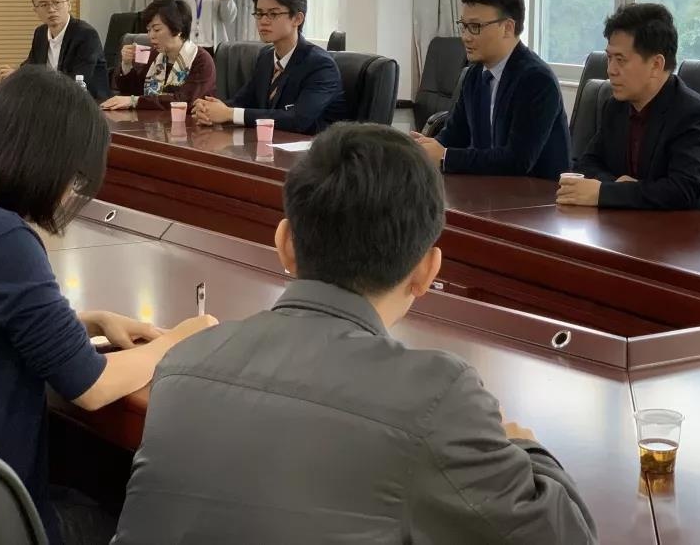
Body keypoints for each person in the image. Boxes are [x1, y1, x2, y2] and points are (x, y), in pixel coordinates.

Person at [112, 122, 597, 544]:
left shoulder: (183, 361)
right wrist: (526, 448)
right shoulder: (437, 398)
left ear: (284, 243)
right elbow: (566, 534)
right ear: (427, 271)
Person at [0, 66, 217, 545]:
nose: (72, 192)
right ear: (48, 161)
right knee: (127, 509)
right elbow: (91, 386)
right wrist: (176, 341)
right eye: (77, 177)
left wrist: (87, 322)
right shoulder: (2, 239)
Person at [560, 3, 700, 212]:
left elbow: (681, 190)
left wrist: (606, 192)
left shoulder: (692, 114)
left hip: (692, 227)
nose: (610, 70)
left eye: (620, 60)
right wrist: (616, 186)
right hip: (633, 222)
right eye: (609, 58)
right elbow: (587, 163)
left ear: (656, 65)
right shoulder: (615, 106)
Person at [413, 0, 571, 180]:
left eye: (475, 27)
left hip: (535, 193)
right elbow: (454, 136)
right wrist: (424, 149)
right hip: (488, 187)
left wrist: (446, 156)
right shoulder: (474, 75)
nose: (465, 37)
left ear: (507, 28)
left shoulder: (536, 79)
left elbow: (517, 160)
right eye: (463, 26)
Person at [191, 0, 346, 134]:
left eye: (273, 14)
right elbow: (242, 102)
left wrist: (229, 114)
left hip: (313, 146)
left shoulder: (320, 65)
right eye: (259, 14)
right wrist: (209, 109)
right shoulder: (266, 57)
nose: (263, 21)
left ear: (297, 19)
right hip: (268, 143)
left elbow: (298, 119)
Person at [0, 0, 109, 99]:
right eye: (44, 5)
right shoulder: (40, 33)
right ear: (36, 11)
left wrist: (27, 80)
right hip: (52, 102)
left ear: (69, 5)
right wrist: (16, 75)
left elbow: (75, 83)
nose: (51, 9)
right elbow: (31, 66)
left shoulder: (86, 35)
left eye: (56, 2)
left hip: (88, 104)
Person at [103, 0, 217, 111]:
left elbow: (184, 101)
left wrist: (134, 101)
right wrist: (127, 64)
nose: (151, 36)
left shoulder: (201, 60)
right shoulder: (155, 56)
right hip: (150, 121)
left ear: (178, 29)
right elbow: (134, 92)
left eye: (157, 30)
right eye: (149, 30)